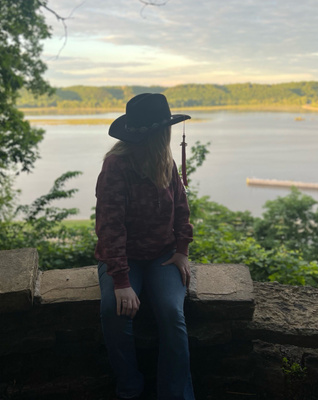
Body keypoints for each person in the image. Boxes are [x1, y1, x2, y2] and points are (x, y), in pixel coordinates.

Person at [95, 93, 195, 400]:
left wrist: (182, 251)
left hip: (163, 255)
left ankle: (175, 395)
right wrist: (121, 282)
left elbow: (181, 208)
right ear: (158, 133)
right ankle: (129, 389)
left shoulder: (165, 162)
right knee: (113, 311)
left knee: (172, 314)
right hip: (122, 258)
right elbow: (110, 226)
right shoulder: (117, 166)